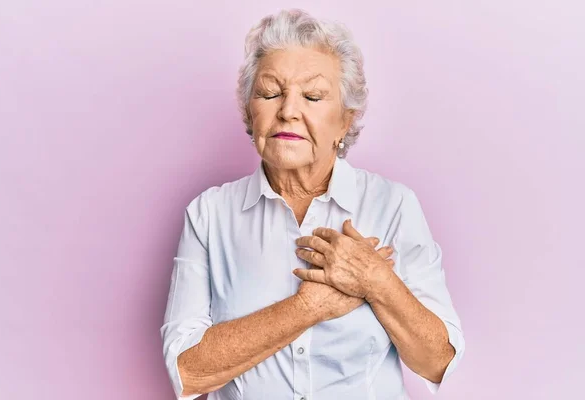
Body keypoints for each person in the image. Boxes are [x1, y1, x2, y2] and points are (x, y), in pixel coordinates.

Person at [160, 9, 465, 400]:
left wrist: (376, 281)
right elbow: (187, 374)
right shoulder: (208, 214)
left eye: (313, 96)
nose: (288, 110)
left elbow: (438, 361)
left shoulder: (394, 206)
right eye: (270, 93)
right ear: (250, 115)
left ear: (345, 121)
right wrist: (308, 307)